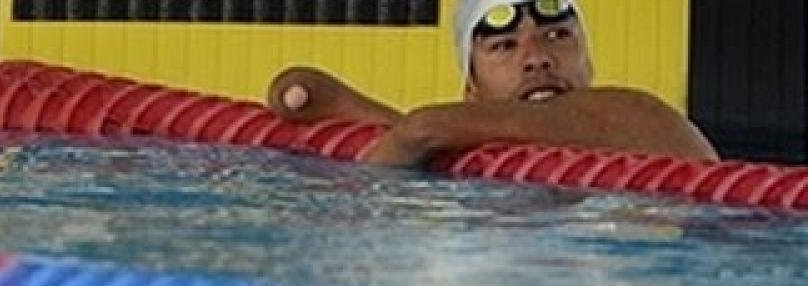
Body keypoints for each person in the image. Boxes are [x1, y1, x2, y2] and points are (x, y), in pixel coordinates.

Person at [267, 0, 718, 166]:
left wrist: (409, 133)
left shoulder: (636, 116)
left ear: (589, 61)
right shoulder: (470, 158)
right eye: (503, 46)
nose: (537, 59)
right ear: (472, 90)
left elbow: (427, 130)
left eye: (557, 36)